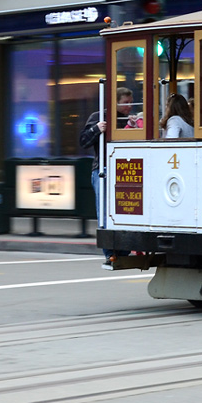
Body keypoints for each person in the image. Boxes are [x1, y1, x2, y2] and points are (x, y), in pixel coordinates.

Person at [79, 86, 133, 269]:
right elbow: (83, 141)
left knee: (126, 210)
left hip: (125, 170)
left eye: (130, 102)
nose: (129, 107)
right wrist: (96, 129)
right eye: (126, 103)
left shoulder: (129, 120)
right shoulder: (98, 116)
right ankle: (110, 252)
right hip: (102, 169)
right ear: (115, 101)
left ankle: (124, 250)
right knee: (104, 211)